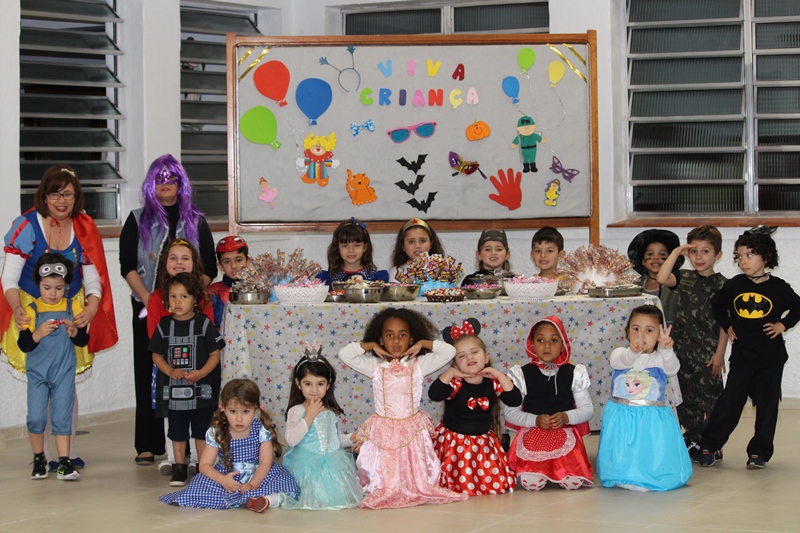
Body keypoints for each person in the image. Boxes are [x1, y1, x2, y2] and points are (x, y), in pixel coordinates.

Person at [1, 165, 117, 471]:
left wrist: (91, 307)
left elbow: (93, 277)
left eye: (68, 194)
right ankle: (44, 456)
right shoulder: (26, 226)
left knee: (66, 384)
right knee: (40, 384)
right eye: (55, 194)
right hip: (32, 311)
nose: (61, 200)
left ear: (77, 197)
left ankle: (67, 453)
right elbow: (9, 278)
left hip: (72, 312)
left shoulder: (84, 226)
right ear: (44, 195)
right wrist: (18, 309)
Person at [119, 154, 217, 466]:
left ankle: (187, 447)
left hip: (190, 313)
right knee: (148, 371)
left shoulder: (196, 221)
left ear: (180, 183)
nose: (165, 185)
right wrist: (152, 301)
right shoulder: (137, 219)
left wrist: (189, 298)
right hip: (149, 308)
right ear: (150, 184)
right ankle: (148, 443)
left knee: (187, 372)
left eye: (171, 179)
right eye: (159, 180)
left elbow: (209, 267)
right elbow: (127, 265)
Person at [337, 308, 468, 509]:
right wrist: (369, 345)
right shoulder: (375, 366)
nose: (396, 341)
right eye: (389, 335)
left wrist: (423, 344)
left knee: (413, 464)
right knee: (386, 467)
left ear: (411, 338)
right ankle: (386, 487)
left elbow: (449, 351)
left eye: (403, 335)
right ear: (381, 339)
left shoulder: (419, 364)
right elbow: (344, 354)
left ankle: (414, 486)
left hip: (411, 427)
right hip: (384, 428)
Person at [698, 226, 800, 469]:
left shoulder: (778, 287)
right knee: (729, 403)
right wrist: (728, 325)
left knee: (766, 407)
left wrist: (782, 325)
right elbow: (717, 305)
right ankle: (710, 445)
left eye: (750, 255)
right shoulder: (735, 285)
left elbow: (798, 306)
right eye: (740, 256)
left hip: (771, 358)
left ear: (766, 257)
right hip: (742, 358)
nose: (743, 261)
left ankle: (759, 452)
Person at [160, 379, 300, 511]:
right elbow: (204, 465)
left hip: (257, 475)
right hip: (227, 476)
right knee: (200, 483)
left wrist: (252, 484)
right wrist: (223, 480)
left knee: (284, 480)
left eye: (245, 412)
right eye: (233, 411)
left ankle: (266, 500)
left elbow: (265, 463)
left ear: (256, 410)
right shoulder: (218, 432)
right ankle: (249, 498)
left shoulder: (261, 430)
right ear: (223, 409)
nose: (239, 418)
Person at [596, 305, 692, 491]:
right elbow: (620, 362)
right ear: (627, 332)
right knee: (622, 448)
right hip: (622, 415)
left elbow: (673, 369)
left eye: (649, 330)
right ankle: (622, 475)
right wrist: (633, 352)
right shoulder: (620, 353)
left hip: (651, 417)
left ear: (659, 335)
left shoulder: (660, 358)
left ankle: (648, 475)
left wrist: (666, 351)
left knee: (648, 448)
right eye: (636, 329)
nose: (641, 336)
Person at [656, 225, 728, 460]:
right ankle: (693, 437)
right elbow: (661, 277)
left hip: (708, 351)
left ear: (718, 254)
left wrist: (720, 353)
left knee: (710, 397)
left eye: (706, 251)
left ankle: (712, 442)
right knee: (684, 396)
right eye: (694, 251)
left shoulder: (723, 285)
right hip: (681, 350)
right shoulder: (684, 277)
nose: (699, 257)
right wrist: (676, 253)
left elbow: (725, 324)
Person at [428, 318, 521, 496]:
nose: (469, 357)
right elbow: (434, 394)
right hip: (455, 443)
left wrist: (498, 375)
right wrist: (451, 372)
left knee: (493, 484)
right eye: (462, 356)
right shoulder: (455, 383)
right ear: (455, 364)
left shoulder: (492, 382)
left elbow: (515, 400)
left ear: (486, 357)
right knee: (455, 482)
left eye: (474, 352)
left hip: (482, 442)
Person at [503, 315, 594, 491]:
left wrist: (566, 417)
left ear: (563, 345)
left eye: (553, 340)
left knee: (573, 483)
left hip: (566, 434)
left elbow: (587, 410)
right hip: (533, 434)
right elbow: (510, 413)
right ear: (532, 344)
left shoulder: (574, 372)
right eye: (540, 340)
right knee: (531, 484)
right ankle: (537, 470)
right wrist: (534, 420)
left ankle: (563, 469)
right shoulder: (521, 374)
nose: (546, 346)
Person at [19, 253, 89, 481]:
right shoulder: (31, 310)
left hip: (63, 373)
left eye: (58, 288)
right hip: (38, 374)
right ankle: (38, 458)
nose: (52, 293)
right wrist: (37, 333)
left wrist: (74, 331)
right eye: (47, 287)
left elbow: (83, 341)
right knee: (36, 417)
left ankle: (64, 462)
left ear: (66, 286)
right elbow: (24, 344)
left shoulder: (72, 307)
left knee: (62, 417)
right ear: (38, 284)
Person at [150, 273, 224, 487]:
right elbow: (156, 355)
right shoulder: (164, 326)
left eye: (183, 296)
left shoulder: (204, 324)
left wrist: (201, 373)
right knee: (177, 431)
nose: (177, 301)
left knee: (201, 430)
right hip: (175, 393)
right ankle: (179, 468)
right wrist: (169, 370)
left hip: (202, 391)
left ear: (195, 299)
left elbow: (215, 354)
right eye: (172, 296)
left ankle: (203, 468)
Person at [282, 342, 362, 510]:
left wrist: (352, 438)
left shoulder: (330, 412)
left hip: (332, 465)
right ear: (298, 383)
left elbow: (334, 441)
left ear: (328, 383)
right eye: (308, 384)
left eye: (320, 384)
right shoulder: (297, 411)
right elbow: (291, 440)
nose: (314, 390)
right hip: (307, 466)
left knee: (338, 500)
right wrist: (309, 415)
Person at [627, 229, 684, 327]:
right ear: (643, 261)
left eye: (662, 255)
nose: (656, 257)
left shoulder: (676, 285)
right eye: (650, 254)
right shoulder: (635, 286)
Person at [315, 218, 389, 288]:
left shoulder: (374, 278)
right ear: (337, 248)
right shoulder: (329, 278)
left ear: (365, 247)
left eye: (357, 245)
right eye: (345, 246)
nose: (351, 250)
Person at [208, 235, 251, 325]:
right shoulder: (212, 291)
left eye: (238, 260)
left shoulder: (258, 290)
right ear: (220, 266)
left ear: (248, 262)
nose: (233, 266)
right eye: (227, 262)